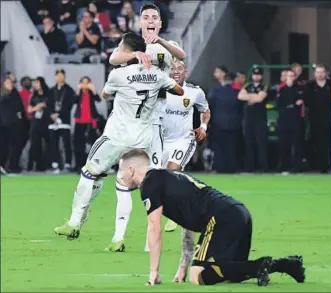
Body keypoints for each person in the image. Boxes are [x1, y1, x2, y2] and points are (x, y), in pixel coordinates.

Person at [54, 33, 184, 254]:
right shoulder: (157, 74)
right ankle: (125, 238)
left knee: (89, 172)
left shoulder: (118, 74)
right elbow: (179, 90)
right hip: (143, 139)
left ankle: (75, 222)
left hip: (116, 135)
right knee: (126, 187)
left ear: (126, 51)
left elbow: (105, 95)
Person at [118, 149, 306, 286]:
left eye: (121, 171)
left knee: (198, 275)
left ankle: (259, 265)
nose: (120, 176)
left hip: (220, 218)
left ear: (132, 170)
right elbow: (187, 223)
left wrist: (153, 273)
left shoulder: (149, 185)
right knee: (230, 272)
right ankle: (286, 265)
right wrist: (182, 265)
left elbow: (154, 228)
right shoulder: (169, 176)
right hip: (240, 213)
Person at [109, 3, 185, 173]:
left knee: (155, 164)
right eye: (146, 17)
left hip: (157, 108)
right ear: (140, 23)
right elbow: (113, 59)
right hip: (130, 110)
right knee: (128, 165)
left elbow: (182, 55)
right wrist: (133, 54)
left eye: (154, 18)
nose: (150, 21)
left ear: (160, 24)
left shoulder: (167, 44)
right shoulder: (131, 42)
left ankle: (155, 196)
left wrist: (160, 41)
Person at [162, 59, 210, 233]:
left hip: (184, 139)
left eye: (179, 68)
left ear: (186, 72)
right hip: (161, 141)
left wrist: (203, 126)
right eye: (172, 68)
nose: (176, 71)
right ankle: (188, 199)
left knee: (171, 173)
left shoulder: (194, 92)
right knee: (157, 179)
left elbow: (205, 110)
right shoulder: (160, 90)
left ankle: (173, 215)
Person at [303, 64, 331, 173]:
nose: (320, 74)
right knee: (315, 142)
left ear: (325, 73)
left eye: (322, 72)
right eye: (318, 72)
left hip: (329, 118)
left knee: (328, 142)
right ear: (314, 74)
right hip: (314, 118)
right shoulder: (309, 85)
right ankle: (316, 166)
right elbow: (306, 101)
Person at [208, 72, 240, 173]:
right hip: (233, 124)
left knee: (219, 149)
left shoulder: (215, 92)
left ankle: (219, 167)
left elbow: (210, 107)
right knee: (231, 148)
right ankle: (231, 168)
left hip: (218, 123)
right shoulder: (236, 92)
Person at [238, 68, 269, 173]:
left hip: (260, 119)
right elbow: (240, 96)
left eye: (258, 75)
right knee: (248, 143)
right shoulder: (247, 86)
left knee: (261, 143)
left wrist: (249, 96)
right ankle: (249, 167)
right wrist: (253, 96)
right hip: (248, 118)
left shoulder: (264, 86)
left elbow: (260, 98)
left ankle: (263, 167)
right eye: (254, 75)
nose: (256, 77)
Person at [48, 69, 76, 173]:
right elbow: (48, 104)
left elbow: (69, 105)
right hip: (53, 120)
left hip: (64, 120)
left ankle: (67, 163)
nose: (59, 77)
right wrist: (52, 114)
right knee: (53, 143)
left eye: (61, 75)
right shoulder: (51, 90)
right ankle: (55, 164)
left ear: (64, 76)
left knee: (66, 143)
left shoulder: (69, 90)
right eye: (58, 75)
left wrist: (59, 115)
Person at [276, 70, 304, 173]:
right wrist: (292, 105)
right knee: (284, 144)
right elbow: (279, 105)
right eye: (289, 76)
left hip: (296, 120)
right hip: (284, 120)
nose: (291, 78)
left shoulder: (299, 88)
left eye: (292, 76)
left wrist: (293, 105)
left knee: (297, 144)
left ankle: (296, 166)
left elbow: (300, 101)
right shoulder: (282, 89)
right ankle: (283, 166)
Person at [73, 76, 100, 171]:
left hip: (90, 122)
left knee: (92, 145)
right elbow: (74, 101)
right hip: (79, 122)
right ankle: (78, 165)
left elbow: (98, 99)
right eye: (83, 83)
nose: (85, 85)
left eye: (87, 83)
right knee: (78, 144)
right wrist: (77, 90)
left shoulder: (91, 94)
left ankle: (92, 166)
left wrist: (94, 90)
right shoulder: (78, 94)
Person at [0, 77, 27, 174]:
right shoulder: (3, 96)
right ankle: (3, 165)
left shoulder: (14, 95)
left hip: (13, 125)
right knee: (4, 147)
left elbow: (19, 109)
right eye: (7, 82)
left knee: (12, 147)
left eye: (11, 82)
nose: (10, 84)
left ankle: (11, 165)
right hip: (3, 126)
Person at [28, 77, 51, 171]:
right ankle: (38, 164)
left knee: (47, 144)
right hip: (36, 121)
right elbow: (29, 109)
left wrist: (42, 106)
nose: (35, 85)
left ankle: (47, 164)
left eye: (37, 83)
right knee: (35, 143)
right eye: (34, 83)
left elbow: (49, 105)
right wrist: (37, 107)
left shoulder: (48, 94)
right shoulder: (33, 95)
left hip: (46, 121)